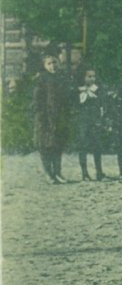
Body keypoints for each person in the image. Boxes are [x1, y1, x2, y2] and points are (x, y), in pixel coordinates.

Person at [32, 49, 70, 184]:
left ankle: (57, 172)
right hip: (45, 118)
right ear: (44, 65)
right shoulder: (41, 79)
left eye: (54, 62)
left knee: (57, 145)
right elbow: (37, 101)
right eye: (49, 63)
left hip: (59, 117)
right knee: (46, 146)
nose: (52, 66)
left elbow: (66, 98)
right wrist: (42, 116)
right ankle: (48, 173)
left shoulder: (62, 77)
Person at [75, 64, 108, 181]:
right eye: (89, 76)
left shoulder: (98, 89)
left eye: (93, 76)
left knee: (97, 145)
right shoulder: (77, 90)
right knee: (83, 146)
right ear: (83, 77)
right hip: (82, 121)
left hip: (95, 119)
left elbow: (103, 104)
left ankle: (99, 172)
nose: (92, 79)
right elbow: (74, 105)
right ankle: (85, 173)